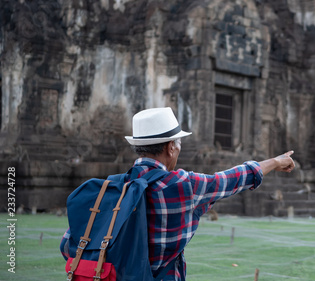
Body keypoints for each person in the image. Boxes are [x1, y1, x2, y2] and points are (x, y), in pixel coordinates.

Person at [60, 107, 295, 280]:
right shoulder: (181, 185)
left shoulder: (110, 190)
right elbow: (234, 178)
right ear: (170, 147)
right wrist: (275, 161)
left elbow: (66, 245)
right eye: (178, 144)